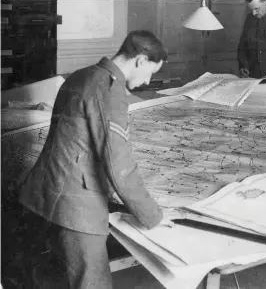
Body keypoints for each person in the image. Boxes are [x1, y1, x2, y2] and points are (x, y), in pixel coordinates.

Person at [17, 30, 170, 289]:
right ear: (141, 60)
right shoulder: (110, 91)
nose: (147, 81)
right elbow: (118, 165)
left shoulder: (82, 75)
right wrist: (153, 215)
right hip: (76, 205)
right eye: (151, 73)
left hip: (44, 191)